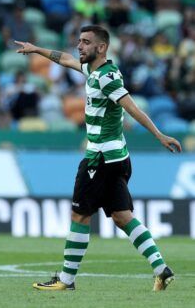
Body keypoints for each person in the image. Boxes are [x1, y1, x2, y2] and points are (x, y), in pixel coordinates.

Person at [15, 25, 182, 291]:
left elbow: (132, 108)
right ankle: (162, 269)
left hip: (100, 158)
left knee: (80, 215)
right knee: (121, 216)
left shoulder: (106, 77)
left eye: (86, 42)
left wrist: (159, 135)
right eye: (79, 41)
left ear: (101, 47)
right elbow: (66, 59)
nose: (79, 46)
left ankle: (66, 280)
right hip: (118, 157)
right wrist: (37, 49)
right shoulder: (93, 70)